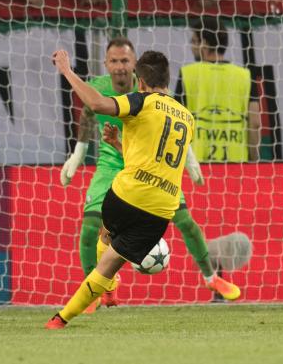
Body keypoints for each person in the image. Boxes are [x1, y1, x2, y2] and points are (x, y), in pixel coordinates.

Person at [60, 38, 240, 313]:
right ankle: (98, 291)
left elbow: (173, 128)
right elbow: (87, 113)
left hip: (153, 166)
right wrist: (78, 154)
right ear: (106, 64)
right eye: (114, 61)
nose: (120, 67)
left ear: (135, 68)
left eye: (125, 61)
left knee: (186, 221)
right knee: (89, 228)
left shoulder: (151, 89)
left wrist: (190, 161)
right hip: (112, 163)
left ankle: (211, 278)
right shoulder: (97, 86)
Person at [46, 49, 194, 329]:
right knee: (110, 263)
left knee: (105, 235)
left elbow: (98, 105)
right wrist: (118, 144)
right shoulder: (187, 118)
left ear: (140, 81)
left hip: (126, 196)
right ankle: (66, 315)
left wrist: (67, 71)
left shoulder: (142, 101)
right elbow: (155, 158)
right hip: (161, 210)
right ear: (168, 78)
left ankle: (75, 309)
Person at [175, 16, 260, 162]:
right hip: (237, 164)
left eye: (194, 41)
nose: (192, 46)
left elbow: (176, 122)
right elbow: (255, 123)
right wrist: (253, 159)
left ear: (205, 44)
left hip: (198, 164)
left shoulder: (188, 74)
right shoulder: (244, 76)